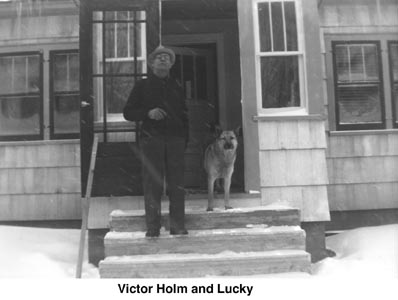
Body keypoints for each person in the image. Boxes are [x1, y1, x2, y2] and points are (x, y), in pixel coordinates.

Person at [123, 46, 189, 237]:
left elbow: (185, 115)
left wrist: (185, 139)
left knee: (177, 184)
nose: (163, 59)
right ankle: (153, 227)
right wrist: (147, 113)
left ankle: (178, 226)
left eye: (166, 57)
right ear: (151, 63)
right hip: (152, 140)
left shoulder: (176, 86)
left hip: (175, 140)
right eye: (158, 57)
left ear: (171, 64)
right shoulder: (142, 86)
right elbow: (128, 112)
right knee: (153, 183)